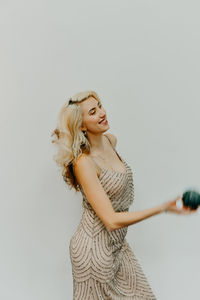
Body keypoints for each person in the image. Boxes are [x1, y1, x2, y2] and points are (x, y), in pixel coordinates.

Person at [51, 90, 197, 300]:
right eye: (92, 112)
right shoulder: (84, 163)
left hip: (117, 247)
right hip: (93, 253)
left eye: (100, 105)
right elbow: (111, 220)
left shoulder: (110, 141)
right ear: (81, 125)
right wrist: (163, 207)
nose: (102, 113)